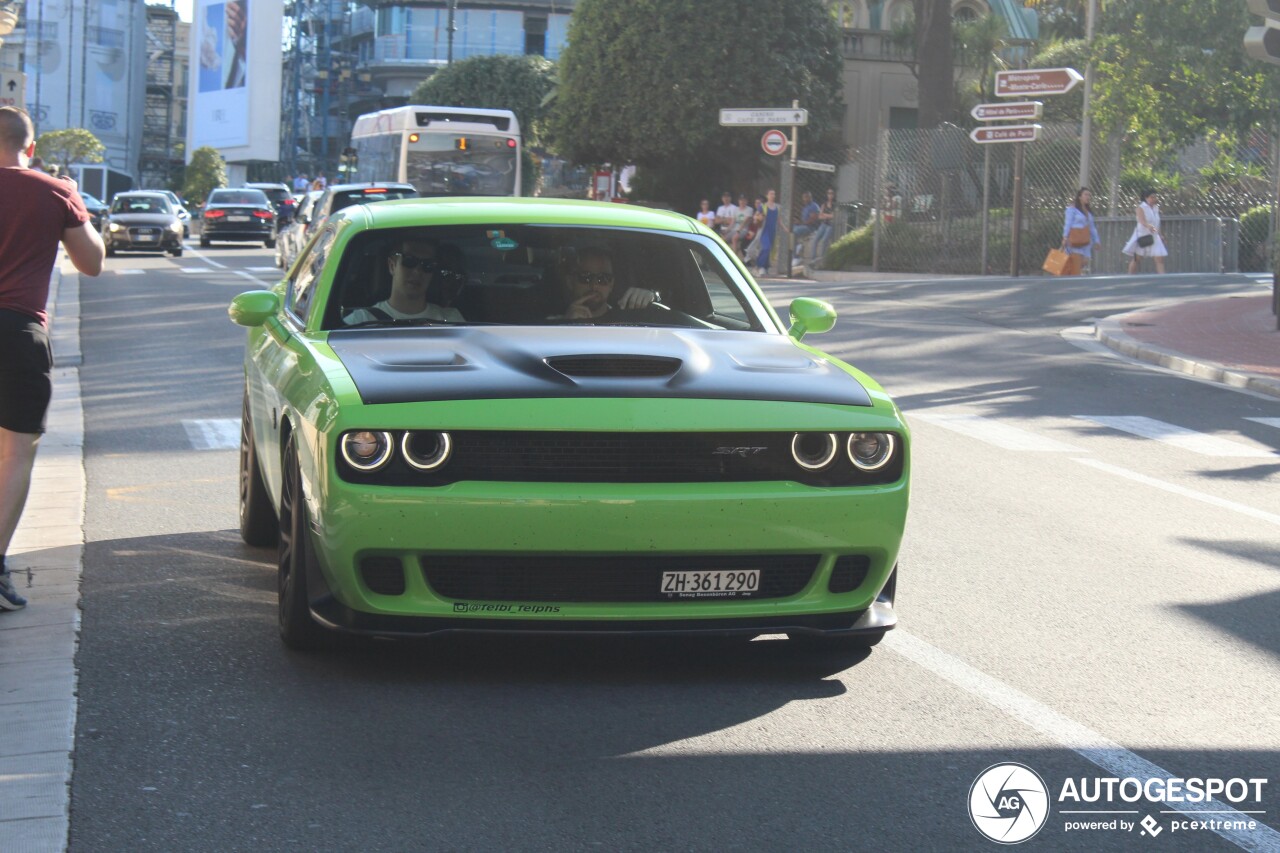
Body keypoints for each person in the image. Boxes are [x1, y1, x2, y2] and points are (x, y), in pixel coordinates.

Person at [0, 107, 104, 611]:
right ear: (31, 147)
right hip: (18, 332)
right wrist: (75, 201)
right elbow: (91, 263)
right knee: (16, 454)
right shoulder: (52, 191)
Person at [344, 238, 465, 324]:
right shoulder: (361, 320)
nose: (418, 271)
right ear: (392, 266)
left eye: (427, 265)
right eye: (409, 261)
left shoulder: (450, 319)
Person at [554, 246, 656, 320]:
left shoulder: (627, 321)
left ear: (611, 284)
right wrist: (567, 325)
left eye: (603, 278)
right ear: (570, 282)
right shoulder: (548, 326)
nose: (594, 286)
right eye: (585, 277)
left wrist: (651, 298)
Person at [1123, 189, 1167, 274]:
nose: (1154, 199)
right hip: (1143, 236)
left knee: (1159, 259)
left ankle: (1162, 278)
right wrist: (1148, 226)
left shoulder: (1155, 208)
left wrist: (1160, 235)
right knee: (1137, 259)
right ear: (1146, 198)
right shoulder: (1141, 207)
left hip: (1154, 236)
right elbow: (1141, 220)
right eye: (1152, 197)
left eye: (1155, 197)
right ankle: (1129, 277)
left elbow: (1157, 223)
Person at [1060, 187, 1101, 274]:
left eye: (1089, 195)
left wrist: (1096, 241)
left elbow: (1092, 227)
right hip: (1075, 240)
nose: (1088, 197)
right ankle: (1071, 279)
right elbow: (1068, 223)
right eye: (1086, 194)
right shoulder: (1072, 209)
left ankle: (1071, 275)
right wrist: (1065, 237)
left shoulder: (1088, 212)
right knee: (1076, 267)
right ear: (1079, 196)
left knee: (1084, 262)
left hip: (1085, 241)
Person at [753, 189, 780, 276]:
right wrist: (758, 218)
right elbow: (756, 216)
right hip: (764, 230)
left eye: (774, 194)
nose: (772, 196)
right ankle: (759, 266)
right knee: (766, 248)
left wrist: (786, 229)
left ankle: (765, 267)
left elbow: (779, 220)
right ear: (767, 195)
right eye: (771, 194)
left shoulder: (777, 207)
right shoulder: (763, 206)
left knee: (769, 250)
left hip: (773, 231)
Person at [792, 190, 822, 264]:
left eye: (805, 197)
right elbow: (804, 220)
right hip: (804, 226)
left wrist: (800, 223)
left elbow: (812, 220)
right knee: (790, 228)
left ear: (810, 197)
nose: (804, 199)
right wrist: (797, 222)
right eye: (803, 197)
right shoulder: (805, 207)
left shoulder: (814, 206)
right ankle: (796, 248)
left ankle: (796, 256)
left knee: (794, 231)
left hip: (811, 228)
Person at [728, 193, 753, 258]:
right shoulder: (735, 209)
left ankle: (734, 257)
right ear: (739, 201)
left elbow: (745, 222)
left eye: (744, 200)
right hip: (734, 229)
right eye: (741, 200)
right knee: (723, 238)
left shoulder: (749, 209)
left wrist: (738, 231)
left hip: (744, 230)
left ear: (746, 201)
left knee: (734, 238)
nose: (742, 202)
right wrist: (727, 229)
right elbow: (733, 222)